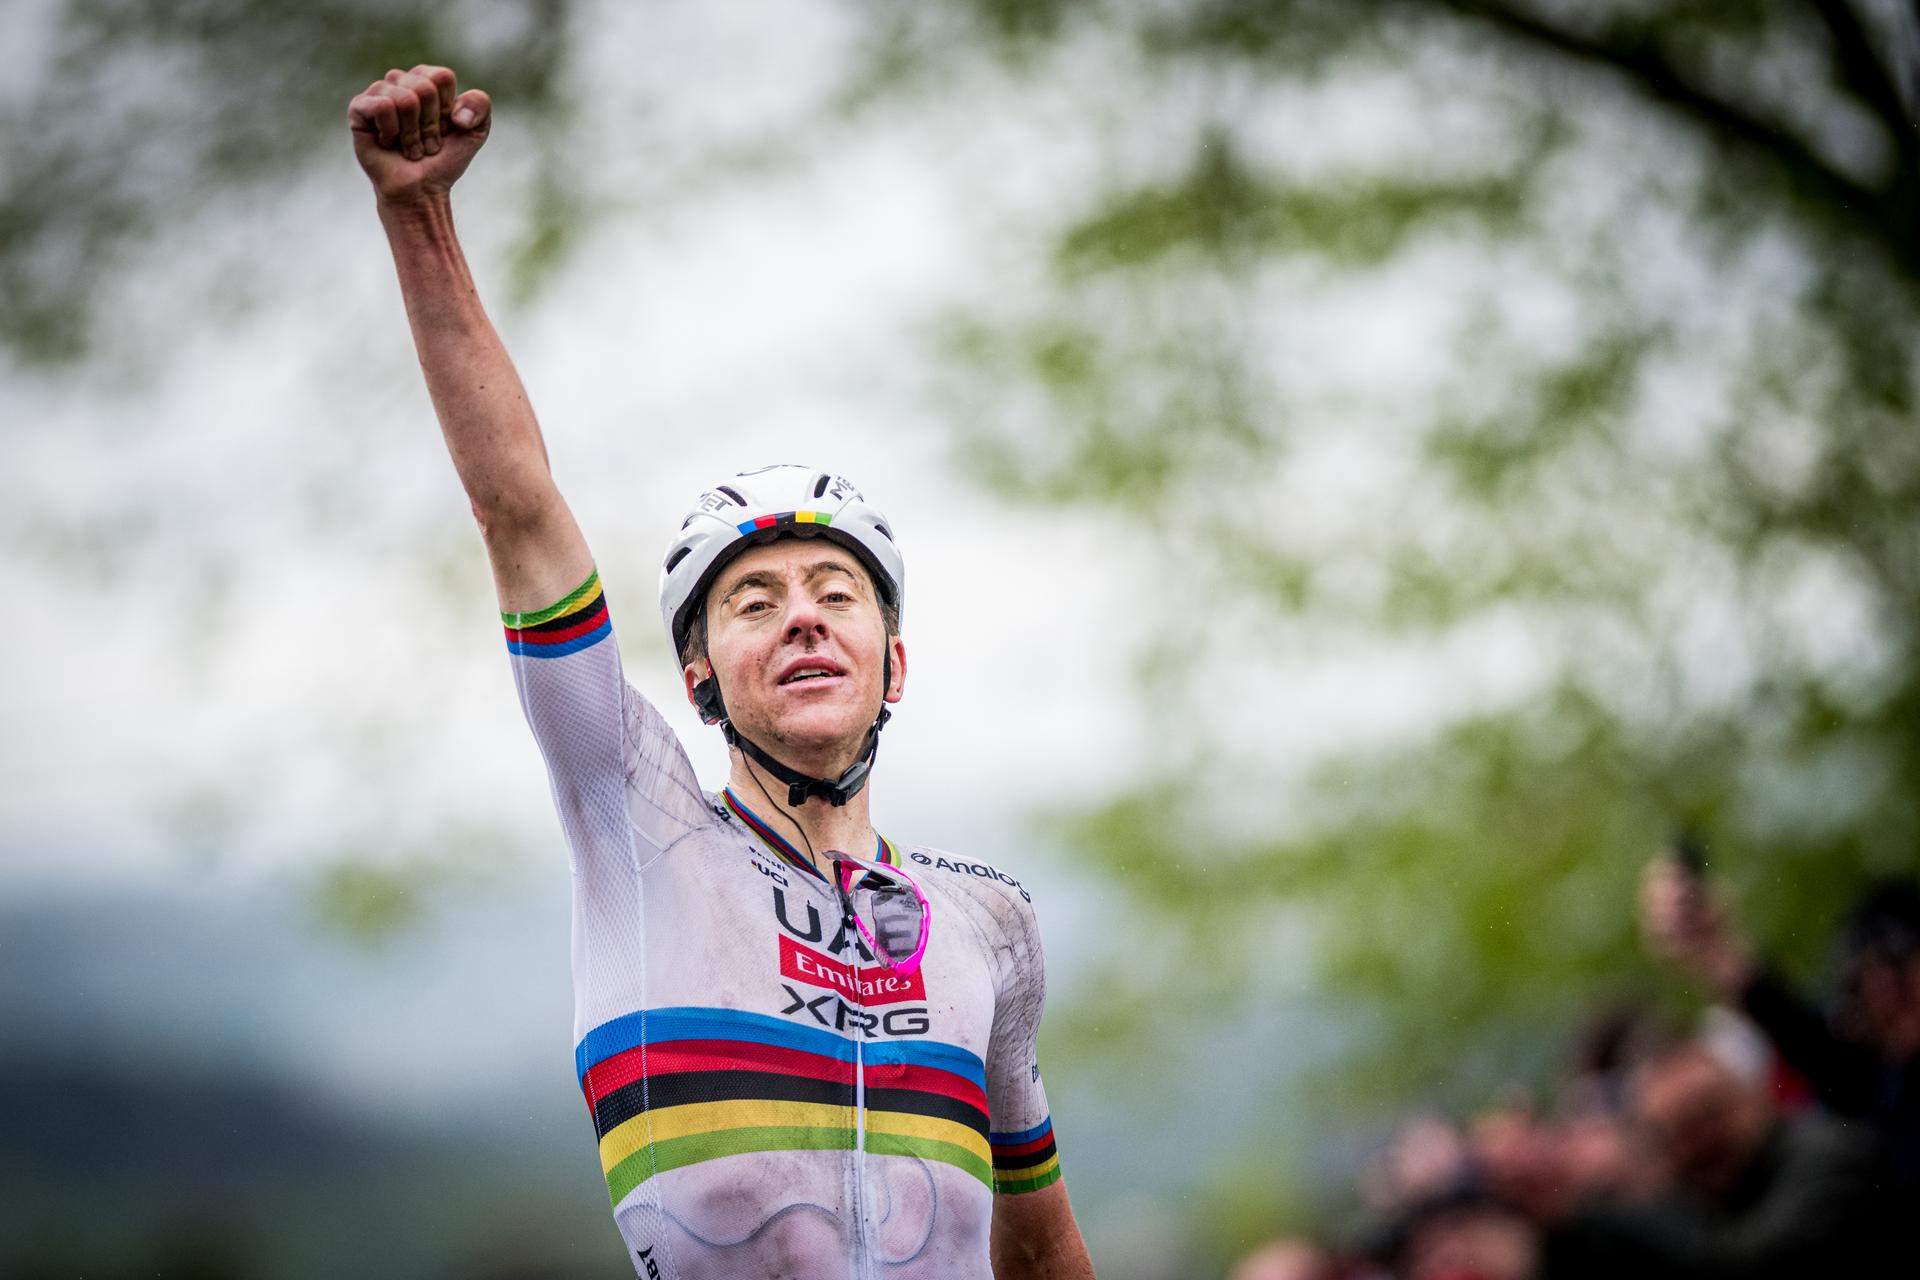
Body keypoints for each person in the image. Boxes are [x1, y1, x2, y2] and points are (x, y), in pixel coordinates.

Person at [347, 64, 1095, 1280]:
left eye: (836, 594)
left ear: (894, 663)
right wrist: (418, 214)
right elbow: (517, 510)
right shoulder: (641, 825)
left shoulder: (989, 926)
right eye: (755, 603)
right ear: (699, 680)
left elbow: (1045, 1239)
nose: (802, 619)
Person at [1641, 852, 1920, 1190]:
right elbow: (1810, 1045)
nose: (1883, 990)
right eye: (1864, 980)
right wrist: (1713, 950)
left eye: (1898, 965)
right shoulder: (1881, 1091)